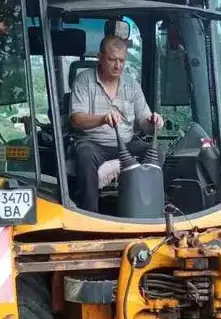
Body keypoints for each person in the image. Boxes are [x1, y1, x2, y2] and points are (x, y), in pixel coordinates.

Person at [69, 35, 164, 212]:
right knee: (84, 154)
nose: (117, 65)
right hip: (94, 144)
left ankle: (145, 208)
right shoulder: (84, 80)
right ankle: (90, 214)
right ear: (100, 57)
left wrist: (153, 121)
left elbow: (144, 120)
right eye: (112, 60)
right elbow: (76, 119)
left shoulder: (131, 84)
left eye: (121, 60)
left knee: (156, 152)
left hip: (126, 144)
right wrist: (102, 119)